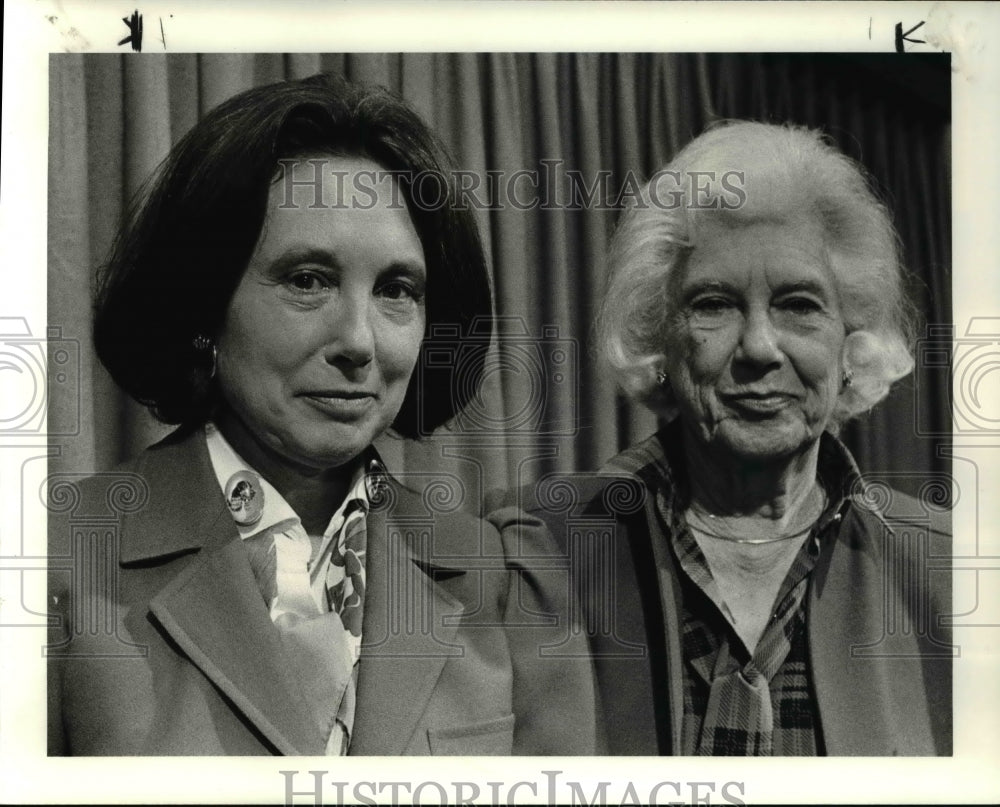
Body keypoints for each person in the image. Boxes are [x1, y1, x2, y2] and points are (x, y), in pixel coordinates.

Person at [47, 72, 596, 756]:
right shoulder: (57, 563)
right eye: (308, 280)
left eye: (397, 290)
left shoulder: (510, 584)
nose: (359, 342)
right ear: (204, 305)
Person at [488, 120, 951, 756]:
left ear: (854, 340)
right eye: (714, 304)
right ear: (661, 342)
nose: (759, 348)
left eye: (798, 305)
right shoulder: (530, 558)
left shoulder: (953, 571)